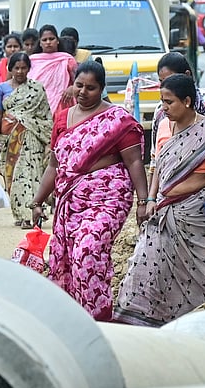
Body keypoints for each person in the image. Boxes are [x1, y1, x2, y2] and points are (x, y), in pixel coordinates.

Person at [115, 74, 205, 328]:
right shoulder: (164, 126)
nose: (163, 108)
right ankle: (140, 325)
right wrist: (151, 198)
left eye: (169, 102)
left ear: (187, 101)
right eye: (162, 101)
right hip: (163, 215)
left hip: (198, 218)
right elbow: (158, 166)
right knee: (145, 267)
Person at [29, 61, 148, 320]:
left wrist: (143, 201)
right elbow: (54, 163)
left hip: (109, 197)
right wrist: (38, 201)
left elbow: (135, 162)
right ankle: (76, 318)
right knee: (70, 258)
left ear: (102, 89)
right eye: (79, 85)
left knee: (89, 249)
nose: (83, 92)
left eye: (91, 88)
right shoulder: (62, 118)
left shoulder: (118, 121)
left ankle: (99, 316)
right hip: (71, 200)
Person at [0, 52, 53, 227]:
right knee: (13, 176)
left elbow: (46, 116)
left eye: (23, 68)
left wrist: (48, 140)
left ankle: (31, 214)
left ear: (28, 69)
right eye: (16, 68)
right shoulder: (2, 88)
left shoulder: (37, 89)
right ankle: (20, 212)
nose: (20, 71)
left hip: (33, 138)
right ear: (10, 69)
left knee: (31, 174)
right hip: (10, 140)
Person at [151, 51, 205, 143]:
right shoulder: (161, 111)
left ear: (187, 75)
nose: (166, 86)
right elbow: (156, 153)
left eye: (171, 79)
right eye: (161, 81)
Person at [28, 24, 78, 114]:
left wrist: (72, 88)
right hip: (37, 106)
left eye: (51, 39)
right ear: (40, 43)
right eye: (44, 40)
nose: (48, 42)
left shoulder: (67, 59)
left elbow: (79, 82)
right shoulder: (32, 61)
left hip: (62, 105)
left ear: (57, 40)